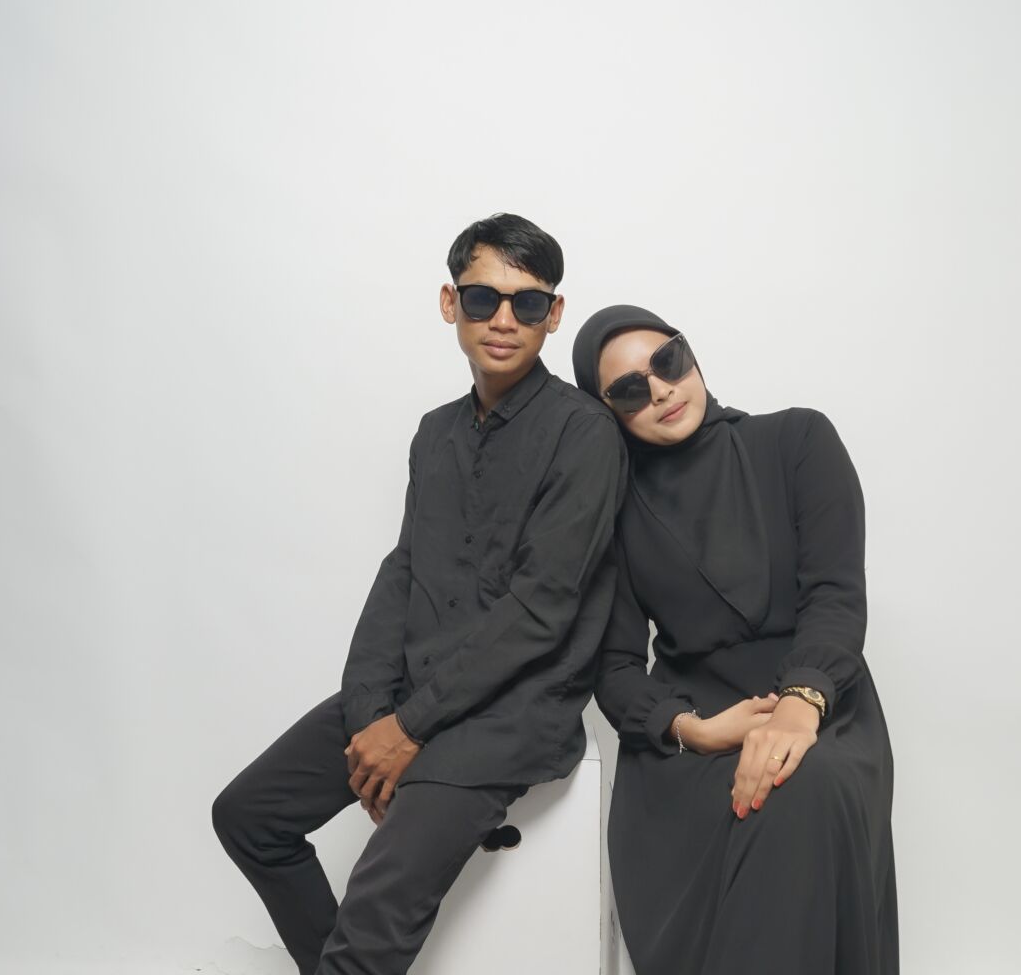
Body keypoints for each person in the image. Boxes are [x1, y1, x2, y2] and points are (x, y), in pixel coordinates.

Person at [212, 214, 627, 975]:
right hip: (412, 691)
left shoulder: (585, 434)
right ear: (449, 303)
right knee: (249, 815)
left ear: (554, 314)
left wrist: (408, 728)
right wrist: (370, 711)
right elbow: (403, 570)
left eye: (529, 303)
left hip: (514, 714)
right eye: (483, 298)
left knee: (375, 911)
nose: (503, 320)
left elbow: (542, 608)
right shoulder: (434, 433)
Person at [572, 305, 897, 975]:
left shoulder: (798, 441)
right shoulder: (616, 510)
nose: (661, 390)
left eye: (668, 361)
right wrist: (691, 729)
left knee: (800, 786)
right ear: (607, 412)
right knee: (770, 798)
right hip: (697, 727)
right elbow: (615, 667)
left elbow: (836, 596)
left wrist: (799, 706)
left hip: (823, 704)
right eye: (630, 390)